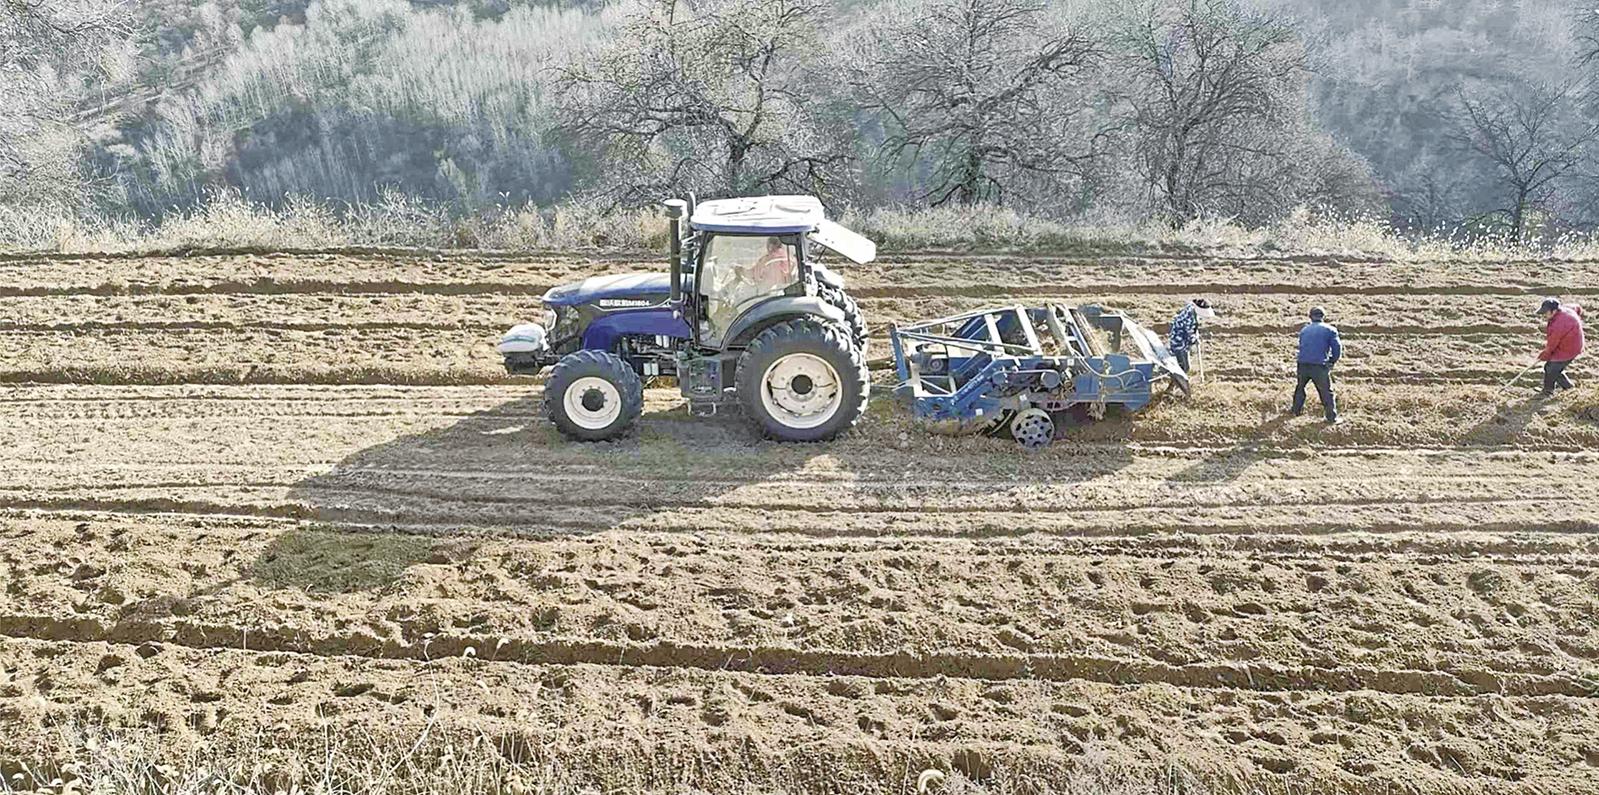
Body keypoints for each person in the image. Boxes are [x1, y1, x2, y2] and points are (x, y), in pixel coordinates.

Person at [1292, 306, 1341, 424]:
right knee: (1326, 392)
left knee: (1300, 388)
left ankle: (1295, 411)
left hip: (1302, 364)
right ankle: (1331, 417)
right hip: (1319, 365)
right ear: (1323, 316)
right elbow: (1337, 348)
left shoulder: (1304, 330)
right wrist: (1332, 361)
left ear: (1310, 316)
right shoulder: (1330, 330)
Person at [1534, 298, 1585, 398]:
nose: (1544, 315)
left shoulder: (1559, 324)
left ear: (1554, 311)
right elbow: (1577, 308)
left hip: (1569, 349)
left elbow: (1552, 345)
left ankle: (1548, 391)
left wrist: (1545, 354)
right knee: (1555, 369)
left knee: (1550, 368)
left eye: (1546, 313)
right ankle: (1569, 388)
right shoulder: (1566, 309)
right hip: (1570, 342)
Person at [1167, 298, 1215, 374]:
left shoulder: (1191, 308)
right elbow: (1189, 335)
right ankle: (1177, 383)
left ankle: (1177, 382)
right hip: (1179, 343)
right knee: (1185, 368)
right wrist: (1196, 340)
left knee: (1182, 368)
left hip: (1178, 338)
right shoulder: (1189, 319)